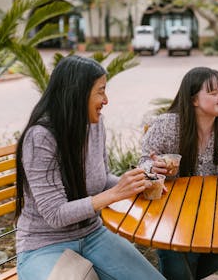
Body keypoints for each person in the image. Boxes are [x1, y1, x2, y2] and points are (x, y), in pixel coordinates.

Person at [14, 55, 164, 280]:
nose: (106, 100)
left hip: (93, 235)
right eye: (101, 91)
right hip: (44, 246)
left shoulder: (94, 124)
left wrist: (137, 184)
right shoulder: (41, 137)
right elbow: (55, 214)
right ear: (77, 94)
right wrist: (115, 194)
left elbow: (101, 180)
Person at [139, 66, 218, 279]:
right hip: (172, 213)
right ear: (194, 100)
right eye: (213, 92)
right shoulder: (166, 125)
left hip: (217, 211)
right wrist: (155, 168)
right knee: (176, 251)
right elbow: (143, 163)